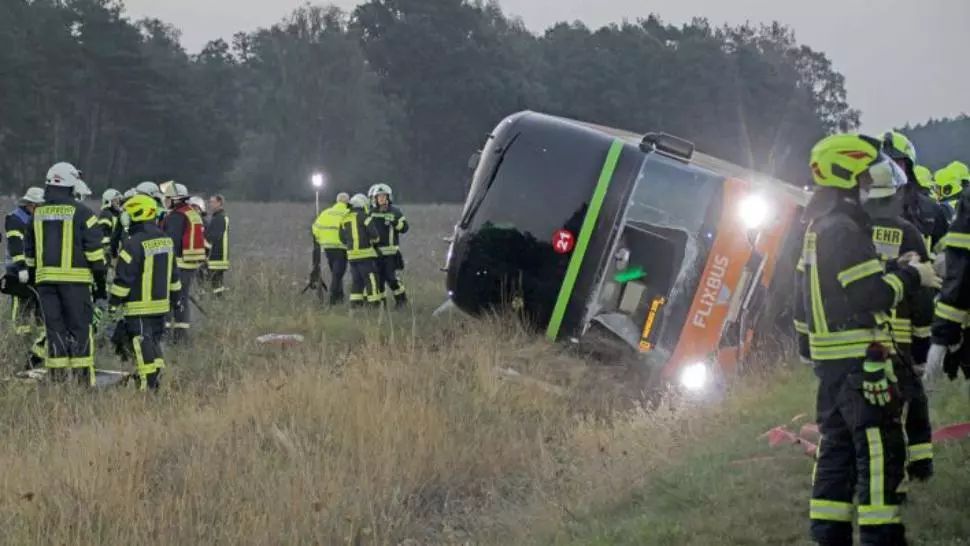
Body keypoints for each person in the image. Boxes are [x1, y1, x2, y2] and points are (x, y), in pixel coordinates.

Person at [795, 134, 939, 546]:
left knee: (836, 453)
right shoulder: (845, 229)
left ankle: (829, 536)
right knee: (880, 453)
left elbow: (837, 289)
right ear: (847, 177)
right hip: (860, 364)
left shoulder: (822, 226)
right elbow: (870, 295)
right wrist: (913, 275)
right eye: (866, 176)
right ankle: (880, 537)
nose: (872, 184)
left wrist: (892, 267)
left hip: (834, 365)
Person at [861, 158, 935, 483]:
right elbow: (922, 295)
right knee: (912, 400)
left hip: (858, 341)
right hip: (899, 341)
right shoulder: (908, 233)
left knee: (869, 409)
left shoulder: (849, 233)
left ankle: (868, 468)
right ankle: (919, 466)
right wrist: (921, 347)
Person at [29, 162, 107, 384]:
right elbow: (95, 254)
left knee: (54, 330)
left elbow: (30, 253)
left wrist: (34, 280)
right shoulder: (83, 213)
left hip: (45, 284)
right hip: (76, 284)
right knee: (80, 329)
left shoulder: (37, 213)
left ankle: (58, 381)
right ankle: (82, 383)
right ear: (71, 183)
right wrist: (100, 285)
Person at [108, 195, 181, 391]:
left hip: (138, 307)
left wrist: (113, 303)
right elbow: (174, 275)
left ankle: (148, 389)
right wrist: (176, 300)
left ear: (137, 214)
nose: (125, 218)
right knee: (154, 345)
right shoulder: (165, 240)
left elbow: (123, 278)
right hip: (161, 306)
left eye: (127, 214)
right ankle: (158, 383)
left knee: (142, 346)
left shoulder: (132, 243)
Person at [883, 131, 949, 254]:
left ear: (908, 168)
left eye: (896, 164)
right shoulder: (859, 212)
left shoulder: (931, 211)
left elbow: (948, 257)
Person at [160, 181, 205, 341]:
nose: (165, 201)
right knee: (182, 298)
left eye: (167, 198)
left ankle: (166, 334)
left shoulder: (176, 216)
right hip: (189, 264)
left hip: (178, 264)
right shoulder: (190, 212)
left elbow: (170, 241)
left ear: (175, 199)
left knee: (168, 298)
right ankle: (181, 336)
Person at [4, 187, 44, 336]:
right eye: (38, 206)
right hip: (18, 270)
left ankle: (40, 338)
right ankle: (19, 338)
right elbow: (15, 245)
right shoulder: (15, 219)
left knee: (39, 305)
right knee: (21, 305)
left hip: (34, 269)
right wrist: (21, 267)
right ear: (30, 204)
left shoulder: (36, 219)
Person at [368, 183, 409, 308]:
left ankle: (401, 301)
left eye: (383, 196)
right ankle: (382, 304)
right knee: (378, 280)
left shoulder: (395, 212)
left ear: (388, 197)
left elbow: (405, 228)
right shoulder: (371, 212)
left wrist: (395, 222)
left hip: (391, 253)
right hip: (375, 252)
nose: (381, 199)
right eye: (379, 197)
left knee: (391, 278)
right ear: (374, 199)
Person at [340, 193, 381, 307]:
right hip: (366, 255)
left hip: (352, 256)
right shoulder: (365, 217)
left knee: (357, 281)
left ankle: (355, 305)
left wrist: (351, 244)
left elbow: (342, 238)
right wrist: (374, 242)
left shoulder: (345, 218)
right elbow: (375, 235)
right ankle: (374, 305)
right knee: (371, 279)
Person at [311, 193, 351, 304]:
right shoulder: (348, 213)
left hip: (328, 248)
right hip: (342, 248)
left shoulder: (326, 212)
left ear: (337, 201)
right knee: (338, 274)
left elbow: (315, 229)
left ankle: (339, 297)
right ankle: (333, 299)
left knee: (335, 272)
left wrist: (321, 240)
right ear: (348, 202)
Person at [205, 194, 229, 297]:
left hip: (217, 255)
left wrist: (205, 252)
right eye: (210, 202)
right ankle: (219, 299)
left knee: (215, 281)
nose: (210, 204)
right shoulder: (219, 217)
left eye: (212, 202)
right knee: (217, 281)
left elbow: (213, 237)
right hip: (219, 255)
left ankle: (218, 299)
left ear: (219, 203)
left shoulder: (219, 218)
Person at [98, 189, 125, 264]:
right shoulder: (106, 215)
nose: (118, 203)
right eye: (115, 200)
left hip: (116, 251)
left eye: (119, 200)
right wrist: (109, 250)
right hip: (109, 253)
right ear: (108, 202)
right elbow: (103, 235)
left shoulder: (117, 214)